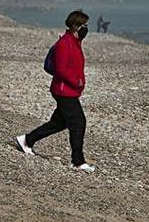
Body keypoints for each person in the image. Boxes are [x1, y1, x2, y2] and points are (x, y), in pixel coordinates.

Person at [16, 10, 95, 173]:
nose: (86, 29)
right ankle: (78, 161)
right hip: (63, 91)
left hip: (70, 91)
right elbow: (61, 69)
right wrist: (77, 81)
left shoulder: (75, 41)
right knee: (78, 122)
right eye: (84, 25)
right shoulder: (64, 43)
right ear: (76, 25)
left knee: (59, 123)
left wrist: (79, 83)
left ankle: (27, 140)